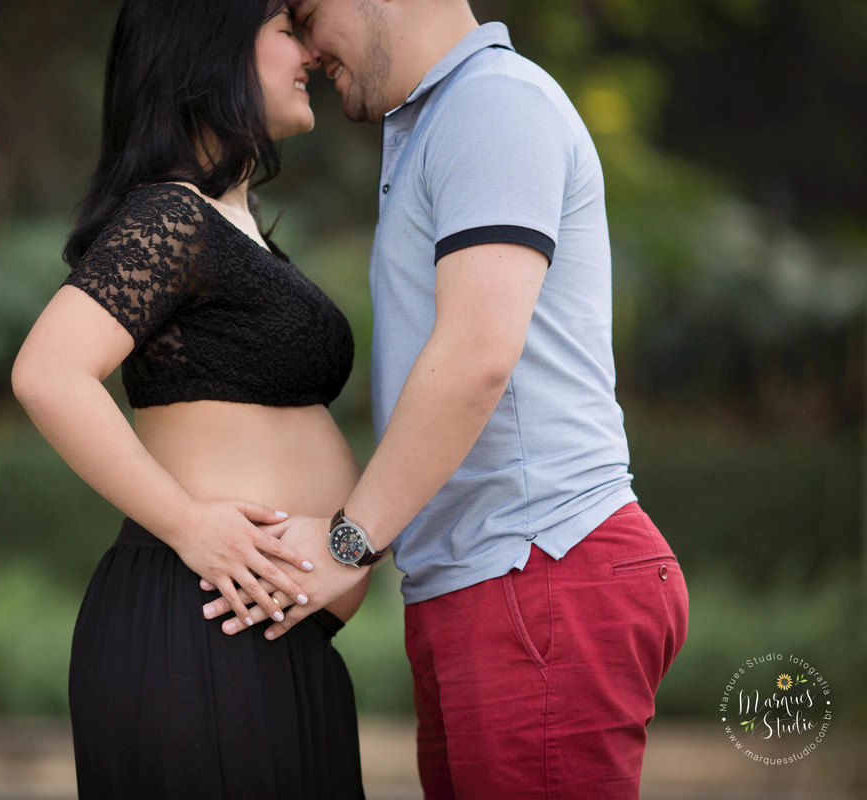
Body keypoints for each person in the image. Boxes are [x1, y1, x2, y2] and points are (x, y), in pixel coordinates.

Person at [205, 1, 690, 797]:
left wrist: (347, 543)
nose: (304, 43)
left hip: (538, 569)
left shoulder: (493, 104)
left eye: (309, 13)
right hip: (493, 580)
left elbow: (475, 358)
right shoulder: (440, 118)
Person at [11, 1, 368, 797]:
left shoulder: (234, 229)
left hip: (267, 647)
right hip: (200, 631)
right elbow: (49, 373)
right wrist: (187, 525)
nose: (309, 49)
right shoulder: (172, 215)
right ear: (216, 54)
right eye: (285, 29)